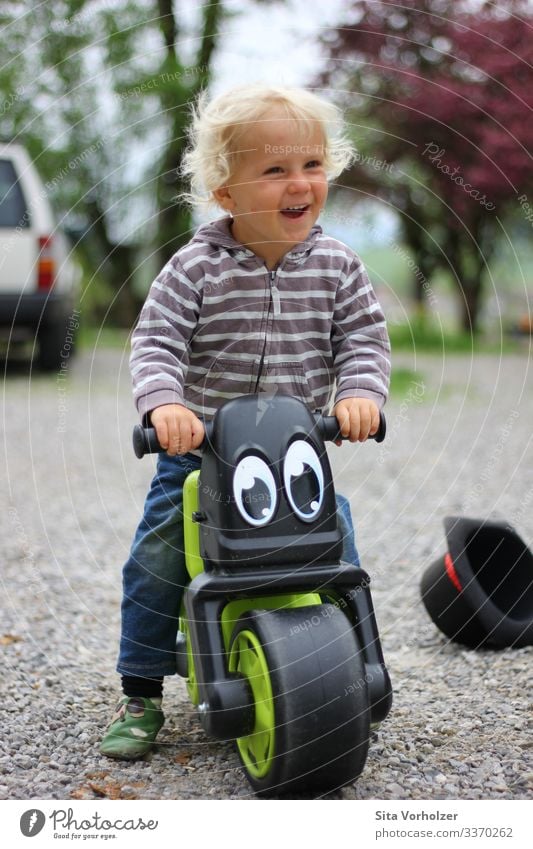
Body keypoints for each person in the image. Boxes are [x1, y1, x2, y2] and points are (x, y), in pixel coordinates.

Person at [100, 83, 391, 759]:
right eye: (275, 170)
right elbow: (156, 343)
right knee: (158, 555)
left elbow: (363, 342)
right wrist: (164, 405)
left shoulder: (337, 265)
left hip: (295, 455)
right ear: (225, 192)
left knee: (337, 546)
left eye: (311, 165)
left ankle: (348, 665)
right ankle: (140, 686)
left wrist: (359, 395)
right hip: (201, 454)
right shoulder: (194, 268)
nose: (300, 183)